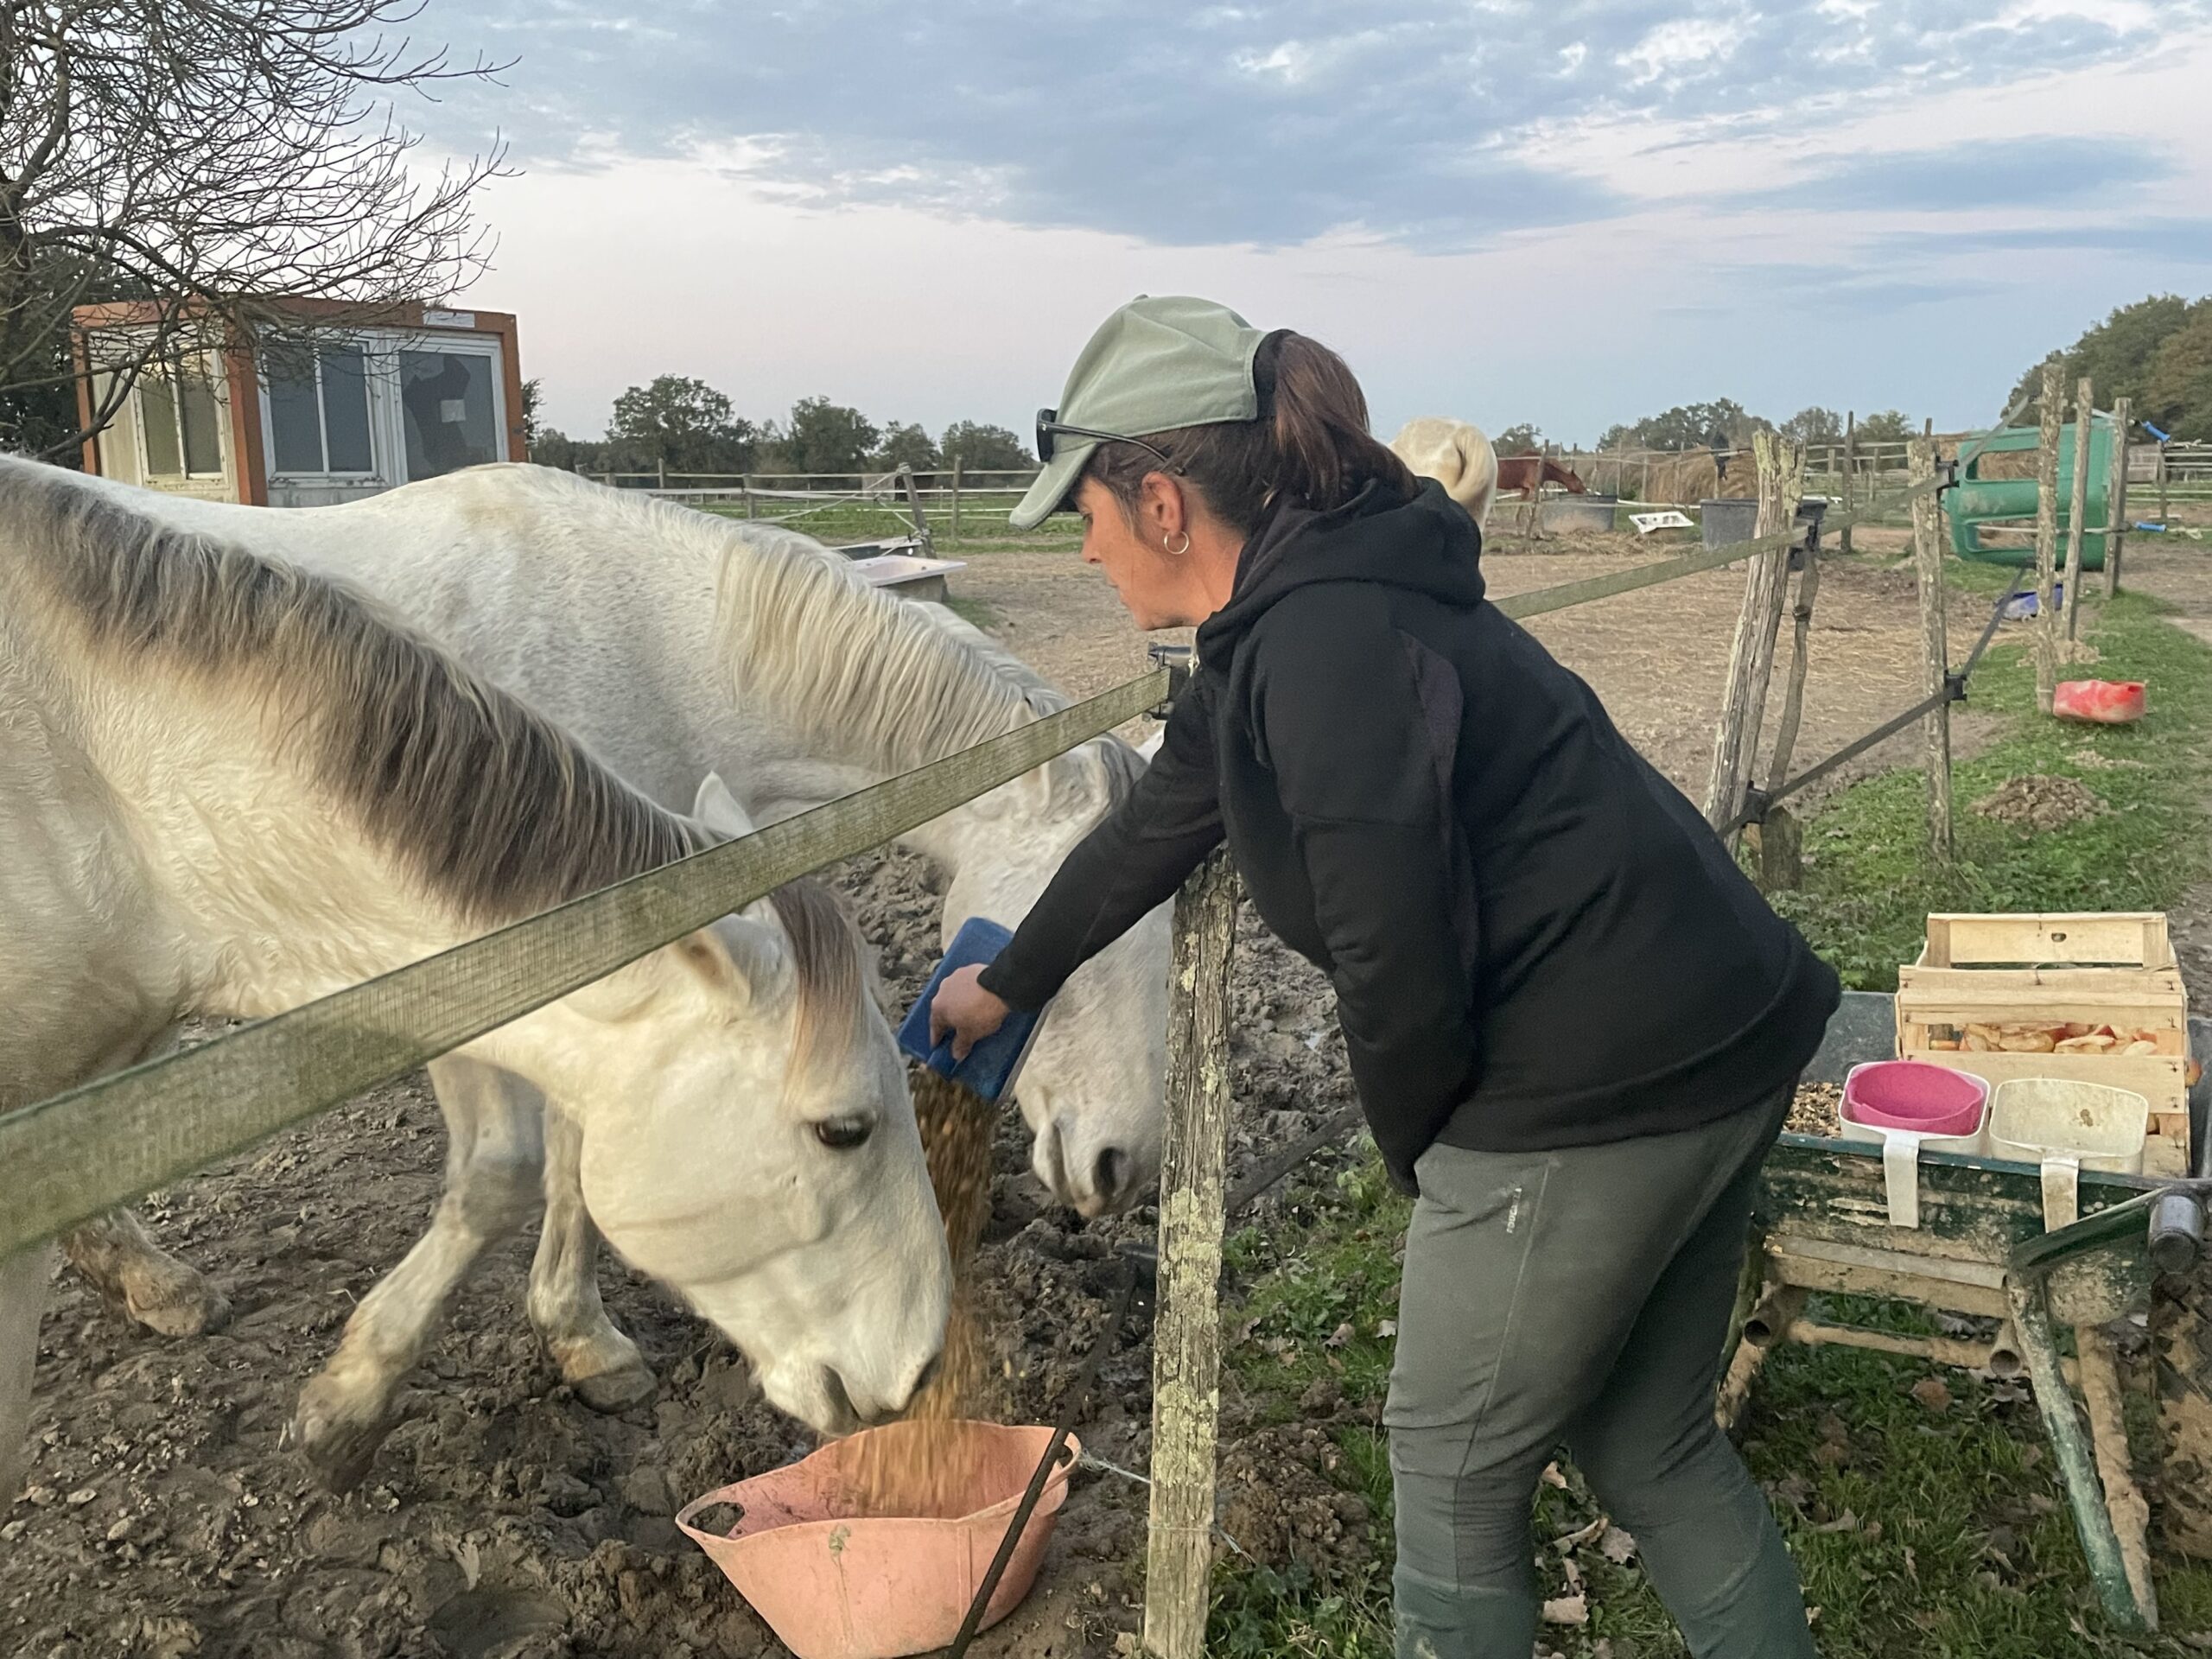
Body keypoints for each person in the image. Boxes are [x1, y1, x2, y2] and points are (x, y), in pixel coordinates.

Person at [929, 295, 1838, 1659]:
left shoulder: (1323, 648)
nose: (1091, 549)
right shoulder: (1289, 617)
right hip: (1723, 1020)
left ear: (1164, 504)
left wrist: (1435, 1168)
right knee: (1646, 1447)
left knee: (1454, 1471)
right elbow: (1155, 826)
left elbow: (1394, 962)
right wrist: (1013, 982)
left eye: (1089, 517)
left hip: (1597, 1078)